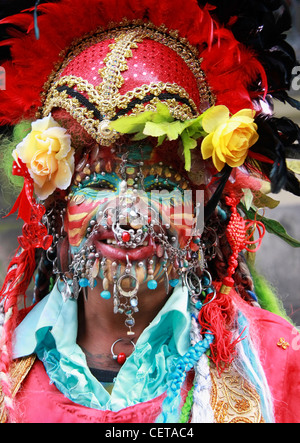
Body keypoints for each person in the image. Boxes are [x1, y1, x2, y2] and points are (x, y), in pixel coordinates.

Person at [0, 0, 300, 424]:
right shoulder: (6, 360)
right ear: (58, 212)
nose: (127, 216)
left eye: (160, 186)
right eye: (99, 184)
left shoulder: (279, 364)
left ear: (202, 216)